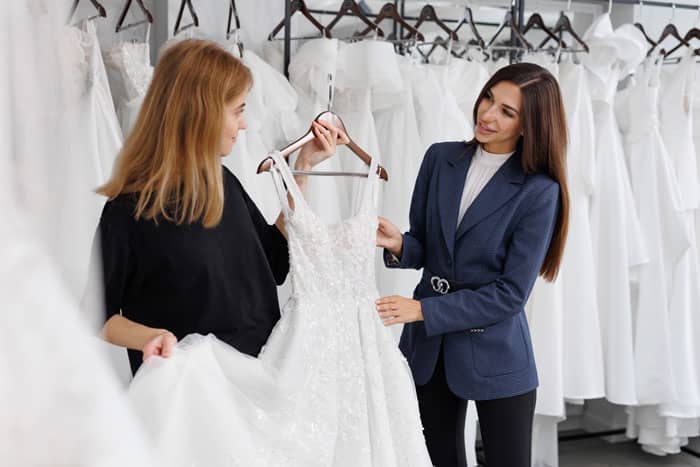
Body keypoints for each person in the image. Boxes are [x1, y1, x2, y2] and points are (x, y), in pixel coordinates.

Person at [94, 39, 347, 374]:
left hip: (259, 383)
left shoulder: (224, 182)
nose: (244, 124)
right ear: (203, 113)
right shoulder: (129, 211)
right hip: (192, 391)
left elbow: (274, 262)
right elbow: (97, 315)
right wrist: (151, 337)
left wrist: (302, 168)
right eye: (238, 111)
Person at [375, 63, 570, 467]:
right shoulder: (440, 158)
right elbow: (428, 245)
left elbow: (510, 295)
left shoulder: (539, 191)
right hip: (429, 351)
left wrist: (424, 310)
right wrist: (400, 244)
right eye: (488, 99)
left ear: (528, 125)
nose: (487, 114)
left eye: (506, 112)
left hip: (496, 352)